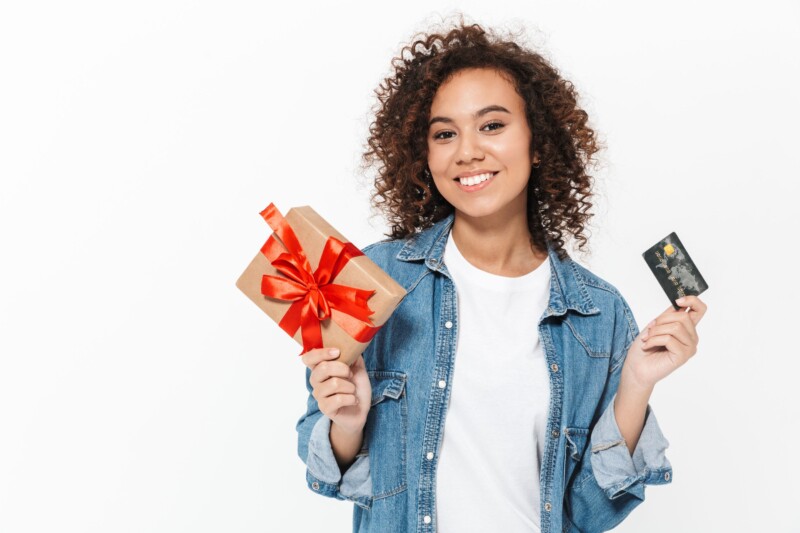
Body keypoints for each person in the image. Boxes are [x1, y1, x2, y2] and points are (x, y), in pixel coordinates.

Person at [295, 19, 707, 533]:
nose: (467, 150)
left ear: (538, 143)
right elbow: (326, 470)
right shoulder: (370, 278)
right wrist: (348, 425)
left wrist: (636, 385)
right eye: (445, 133)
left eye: (492, 125)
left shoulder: (599, 314)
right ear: (424, 156)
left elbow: (588, 515)